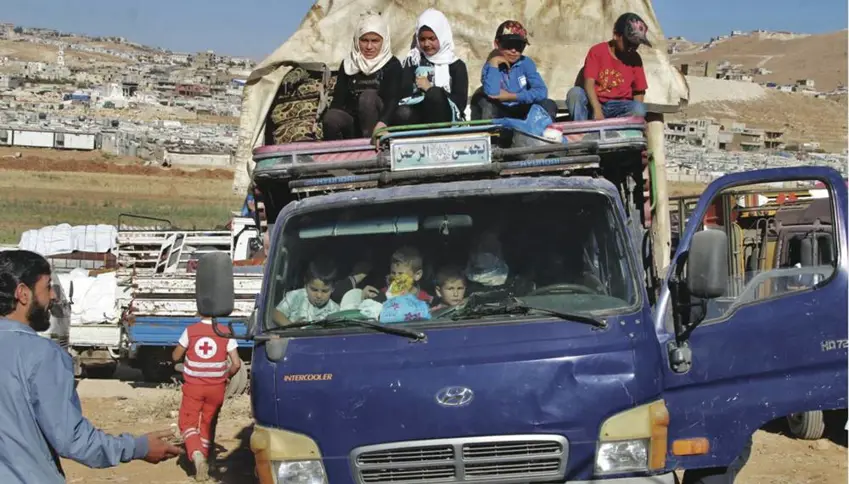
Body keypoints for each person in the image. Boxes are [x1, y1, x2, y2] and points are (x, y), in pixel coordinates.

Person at [0, 250, 181, 484]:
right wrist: (137, 447)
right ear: (23, 293)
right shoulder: (42, 356)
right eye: (47, 286)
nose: (53, 296)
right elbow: (72, 440)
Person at [172, 313, 242, 481]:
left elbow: (175, 356)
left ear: (199, 312)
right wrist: (226, 375)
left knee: (187, 423)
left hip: (194, 387)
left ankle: (196, 455)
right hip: (216, 388)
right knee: (208, 424)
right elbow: (237, 364)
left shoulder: (191, 331)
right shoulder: (226, 332)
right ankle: (205, 459)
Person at [322, 12, 402, 140]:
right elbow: (338, 100)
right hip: (353, 123)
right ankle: (335, 156)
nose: (369, 47)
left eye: (375, 41)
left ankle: (370, 148)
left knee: (368, 97)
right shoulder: (349, 64)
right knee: (331, 117)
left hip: (381, 124)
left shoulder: (392, 64)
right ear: (356, 40)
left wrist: (383, 122)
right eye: (364, 40)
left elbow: (393, 99)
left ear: (384, 41)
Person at [565, 12, 651, 121]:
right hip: (595, 103)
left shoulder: (635, 59)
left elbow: (639, 91)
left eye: (636, 44)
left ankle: (620, 131)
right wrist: (597, 109)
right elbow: (589, 84)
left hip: (619, 106)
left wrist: (636, 117)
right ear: (616, 35)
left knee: (638, 108)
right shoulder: (597, 51)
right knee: (575, 93)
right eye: (629, 42)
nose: (632, 47)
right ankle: (582, 132)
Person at [394, 8, 469, 125]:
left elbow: (460, 103)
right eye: (422, 39)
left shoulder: (456, 65)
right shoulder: (413, 61)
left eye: (432, 38)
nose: (426, 44)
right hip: (418, 117)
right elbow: (403, 95)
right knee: (402, 112)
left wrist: (430, 89)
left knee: (435, 94)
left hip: (445, 119)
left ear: (442, 36)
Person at [473, 20, 557, 122]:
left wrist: (512, 96)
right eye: (508, 45)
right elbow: (493, 93)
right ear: (497, 44)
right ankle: (493, 136)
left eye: (519, 46)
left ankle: (537, 132)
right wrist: (495, 62)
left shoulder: (526, 62)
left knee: (548, 104)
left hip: (521, 107)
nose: (514, 50)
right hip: (500, 111)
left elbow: (541, 92)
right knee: (488, 105)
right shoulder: (491, 65)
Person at [273, 258, 341, 325]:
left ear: (333, 288)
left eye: (325, 291)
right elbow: (275, 314)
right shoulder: (295, 297)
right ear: (305, 284)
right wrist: (290, 327)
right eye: (314, 289)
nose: (319, 295)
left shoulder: (335, 310)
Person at [364, 246, 433, 304]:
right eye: (393, 273)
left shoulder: (425, 299)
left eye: (401, 274)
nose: (396, 278)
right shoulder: (383, 295)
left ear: (417, 275)